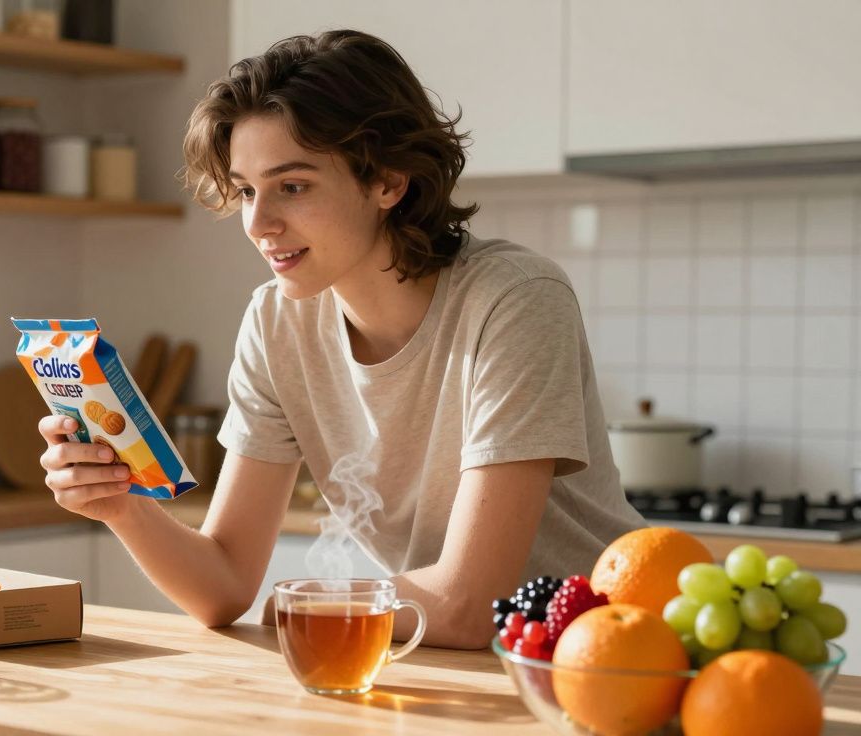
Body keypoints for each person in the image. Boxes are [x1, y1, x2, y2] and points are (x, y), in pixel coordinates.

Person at [35, 30, 645, 648]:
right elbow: (221, 587)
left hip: (601, 657)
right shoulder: (278, 323)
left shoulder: (515, 300)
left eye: (292, 186)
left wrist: (314, 601)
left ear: (387, 180)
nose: (257, 223)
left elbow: (466, 604)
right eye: (247, 190)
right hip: (439, 663)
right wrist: (119, 504)